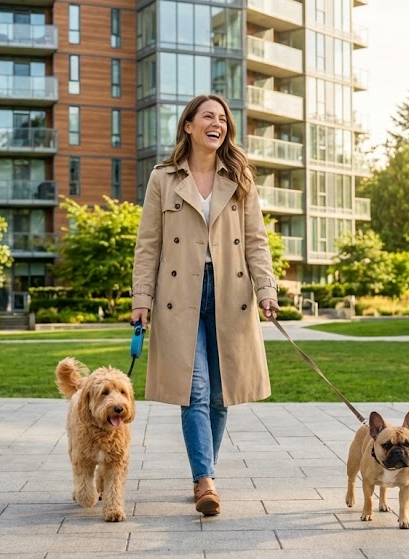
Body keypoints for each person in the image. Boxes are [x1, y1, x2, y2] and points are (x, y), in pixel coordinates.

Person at [131, 94, 280, 517]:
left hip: (230, 293)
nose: (217, 124)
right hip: (179, 297)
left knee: (220, 394)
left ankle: (204, 470)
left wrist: (266, 290)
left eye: (222, 119)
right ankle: (204, 480)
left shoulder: (240, 177)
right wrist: (141, 297)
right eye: (208, 117)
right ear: (189, 126)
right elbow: (148, 245)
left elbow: (256, 241)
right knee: (193, 390)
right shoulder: (163, 178)